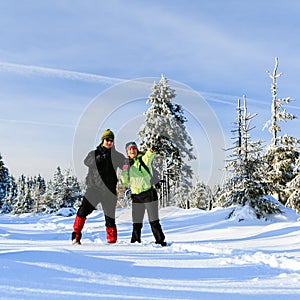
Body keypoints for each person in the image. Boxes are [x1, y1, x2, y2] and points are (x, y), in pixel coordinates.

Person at [71, 129, 126, 244]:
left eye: (111, 140)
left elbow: (125, 165)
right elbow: (86, 161)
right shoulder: (94, 153)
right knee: (83, 211)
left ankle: (112, 242)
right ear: (103, 140)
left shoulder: (116, 156)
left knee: (110, 218)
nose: (109, 142)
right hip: (94, 189)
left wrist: (127, 164)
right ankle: (76, 236)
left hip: (109, 191)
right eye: (107, 140)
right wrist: (100, 158)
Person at [120, 141, 167, 246]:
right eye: (130, 149)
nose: (132, 151)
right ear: (127, 152)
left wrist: (151, 151)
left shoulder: (142, 160)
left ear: (137, 150)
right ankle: (135, 242)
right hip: (136, 196)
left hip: (148, 193)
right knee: (137, 222)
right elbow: (124, 181)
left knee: (153, 220)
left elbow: (148, 156)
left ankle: (160, 241)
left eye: (134, 149)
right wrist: (125, 169)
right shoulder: (127, 165)